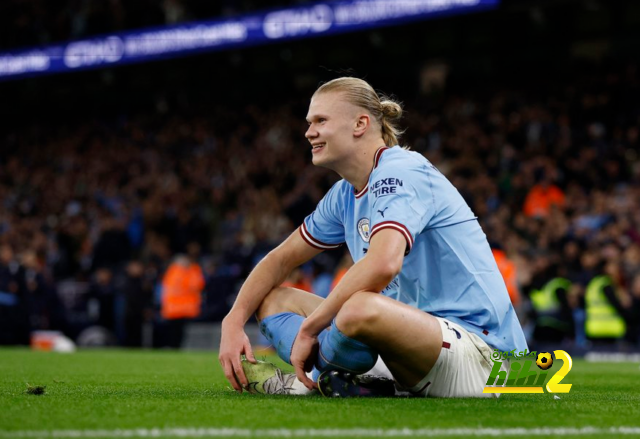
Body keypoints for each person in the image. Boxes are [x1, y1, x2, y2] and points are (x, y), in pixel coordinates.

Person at [218, 77, 527, 398]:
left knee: (359, 308)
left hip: (487, 359)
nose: (309, 132)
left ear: (360, 124)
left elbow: (383, 264)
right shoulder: (343, 195)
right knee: (272, 299)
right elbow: (279, 260)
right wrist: (233, 321)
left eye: (320, 121)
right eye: (309, 122)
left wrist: (311, 328)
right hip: (407, 349)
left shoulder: (402, 171)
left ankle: (309, 382)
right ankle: (354, 381)